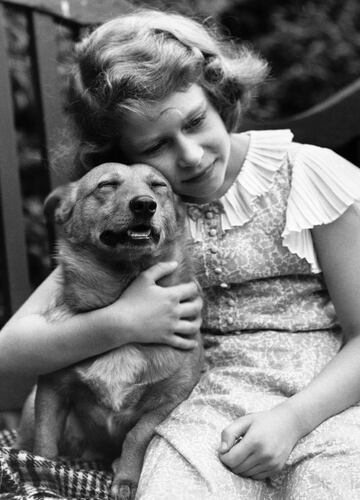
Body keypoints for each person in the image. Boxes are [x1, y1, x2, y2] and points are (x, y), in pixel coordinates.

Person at [1, 7, 360, 500]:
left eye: (195, 121)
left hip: (322, 401)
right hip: (199, 409)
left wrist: (294, 419)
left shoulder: (308, 176)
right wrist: (121, 321)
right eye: (155, 146)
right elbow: (10, 350)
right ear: (121, 154)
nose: (189, 156)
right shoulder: (141, 218)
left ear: (219, 97)